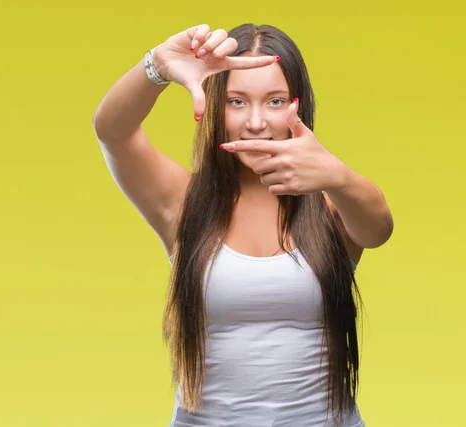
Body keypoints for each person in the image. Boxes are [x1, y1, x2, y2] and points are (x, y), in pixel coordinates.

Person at [92, 23, 393, 427]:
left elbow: (379, 230)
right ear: (217, 107)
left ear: (298, 106)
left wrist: (338, 177)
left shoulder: (330, 205)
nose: (255, 122)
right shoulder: (183, 203)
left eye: (274, 101)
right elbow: (112, 131)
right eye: (237, 101)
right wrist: (158, 67)